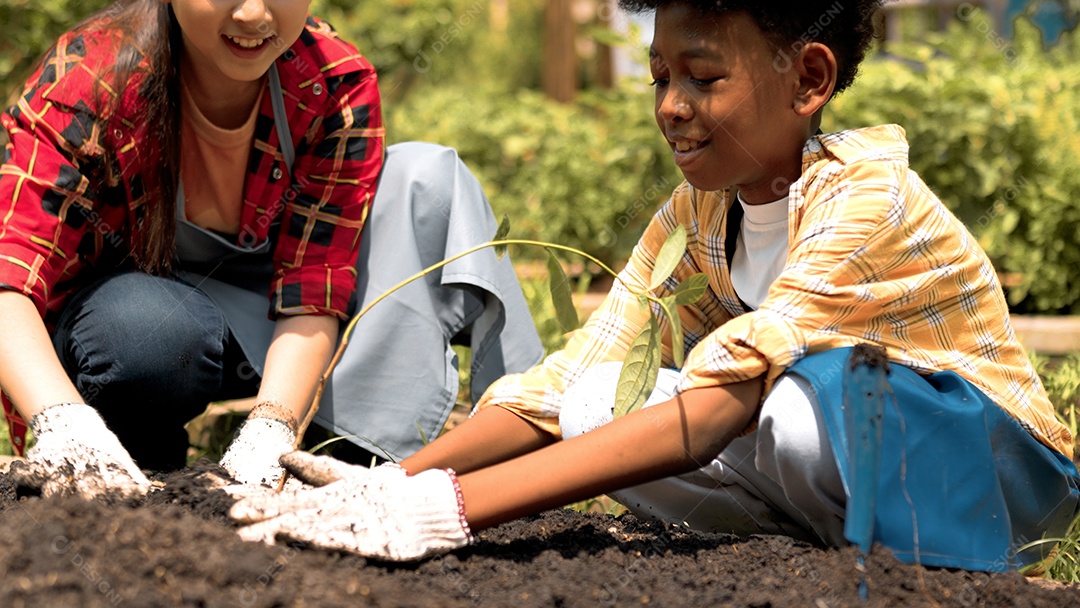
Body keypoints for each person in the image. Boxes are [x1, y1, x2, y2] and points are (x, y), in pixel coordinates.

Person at [232, 0, 1080, 570]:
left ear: (810, 80)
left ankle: (931, 559)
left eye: (703, 78)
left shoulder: (866, 197)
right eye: (660, 77)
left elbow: (718, 406)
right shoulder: (697, 215)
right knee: (602, 397)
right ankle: (814, 550)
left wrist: (448, 512)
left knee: (791, 404)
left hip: (994, 470)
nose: (671, 105)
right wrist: (402, 478)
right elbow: (565, 383)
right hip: (849, 465)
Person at [0, 0, 542, 498]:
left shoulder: (330, 82)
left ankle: (346, 458)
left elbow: (315, 284)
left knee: (423, 175)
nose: (254, 14)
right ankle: (130, 468)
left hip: (273, 328)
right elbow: (9, 271)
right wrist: (61, 420)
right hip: (137, 330)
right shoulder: (92, 76)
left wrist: (272, 429)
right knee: (147, 333)